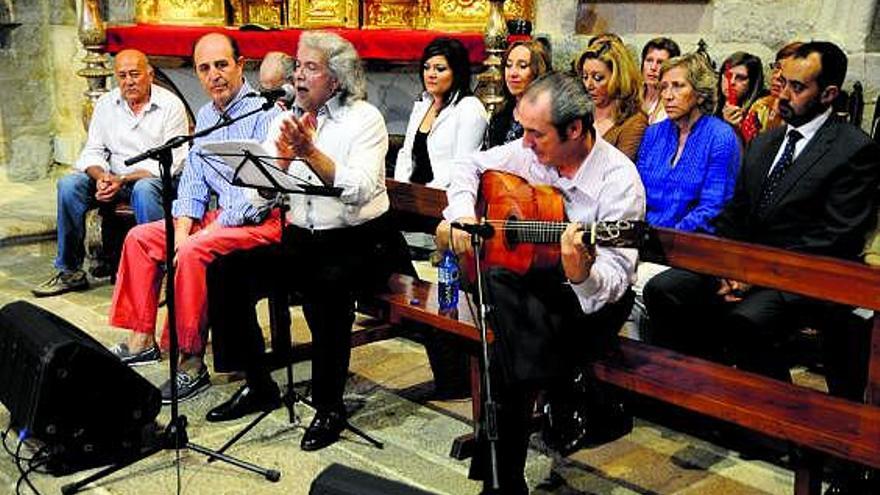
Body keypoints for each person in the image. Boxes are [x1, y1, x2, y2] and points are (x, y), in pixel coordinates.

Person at [644, 43, 880, 483]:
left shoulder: (853, 149)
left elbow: (834, 236)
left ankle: (785, 429)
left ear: (828, 94)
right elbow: (736, 212)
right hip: (745, 266)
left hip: (808, 274)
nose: (782, 95)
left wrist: (752, 277)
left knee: (749, 321)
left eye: (797, 87)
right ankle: (711, 397)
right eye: (781, 83)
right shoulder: (768, 140)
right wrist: (722, 266)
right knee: (666, 290)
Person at [204, 32, 413, 453]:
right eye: (298, 66)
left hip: (361, 241)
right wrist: (276, 167)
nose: (298, 75)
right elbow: (255, 195)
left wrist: (311, 153)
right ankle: (258, 384)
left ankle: (329, 405)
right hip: (303, 237)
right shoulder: (284, 119)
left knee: (327, 285)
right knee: (226, 271)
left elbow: (360, 188)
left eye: (310, 67)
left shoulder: (365, 119)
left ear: (336, 78)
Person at [436, 72, 645, 494]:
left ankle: (501, 486)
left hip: (591, 302)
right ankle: (566, 392)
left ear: (574, 129)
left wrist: (581, 272)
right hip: (533, 292)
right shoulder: (531, 153)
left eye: (537, 134)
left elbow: (616, 280)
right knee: (500, 291)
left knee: (503, 349)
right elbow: (467, 165)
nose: (526, 143)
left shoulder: (620, 181)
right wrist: (461, 212)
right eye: (525, 131)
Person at [107, 33, 282, 403]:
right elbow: (192, 183)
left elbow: (262, 195)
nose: (214, 75)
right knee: (142, 238)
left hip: (261, 220)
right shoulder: (204, 115)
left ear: (240, 65)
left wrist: (199, 236)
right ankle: (142, 340)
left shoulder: (265, 113)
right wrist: (182, 227)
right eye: (205, 68)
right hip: (219, 219)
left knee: (191, 253)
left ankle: (190, 361)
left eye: (221, 65)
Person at [32, 49, 188, 297]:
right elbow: (92, 151)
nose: (129, 81)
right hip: (113, 177)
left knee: (144, 191)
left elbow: (172, 162)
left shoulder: (171, 105)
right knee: (69, 185)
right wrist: (101, 178)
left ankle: (160, 272)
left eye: (135, 74)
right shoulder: (106, 104)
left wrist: (122, 179)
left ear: (149, 74)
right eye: (122, 76)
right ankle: (70, 270)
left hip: (157, 180)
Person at [636, 53, 740, 233]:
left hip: (692, 244)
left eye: (677, 86)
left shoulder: (720, 137)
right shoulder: (653, 133)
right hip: (643, 237)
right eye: (663, 87)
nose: (667, 96)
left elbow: (712, 208)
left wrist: (667, 239)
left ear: (700, 94)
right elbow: (636, 194)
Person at [394, 37, 487, 188]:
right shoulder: (423, 103)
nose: (431, 74)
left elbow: (463, 166)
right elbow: (405, 154)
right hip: (411, 195)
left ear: (456, 72)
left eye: (440, 69)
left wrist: (426, 194)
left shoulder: (470, 108)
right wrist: (403, 188)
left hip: (445, 198)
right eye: (427, 67)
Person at [577, 39, 648, 161]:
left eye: (598, 78)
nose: (589, 85)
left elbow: (618, 171)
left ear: (618, 79)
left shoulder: (634, 123)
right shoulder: (580, 114)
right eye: (585, 77)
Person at [485, 39, 552, 148]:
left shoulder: (549, 117)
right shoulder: (500, 116)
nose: (512, 73)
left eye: (522, 66)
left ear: (538, 71)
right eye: (508, 65)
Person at [745, 42, 803, 136]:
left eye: (786, 70)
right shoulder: (761, 106)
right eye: (777, 67)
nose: (777, 76)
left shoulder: (806, 113)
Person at [714, 51, 766, 140]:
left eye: (740, 78)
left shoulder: (757, 114)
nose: (732, 82)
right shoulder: (709, 108)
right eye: (728, 75)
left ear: (752, 83)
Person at [639, 37, 680, 124]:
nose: (653, 67)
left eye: (660, 62)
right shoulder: (632, 95)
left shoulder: (673, 102)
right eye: (649, 60)